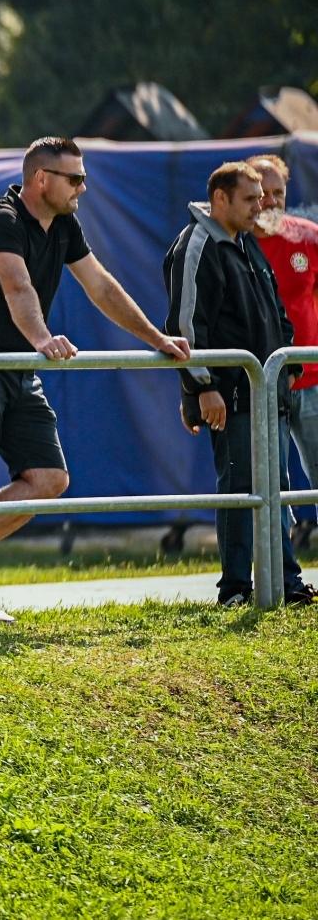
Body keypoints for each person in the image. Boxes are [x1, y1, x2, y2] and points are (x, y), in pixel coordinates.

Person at [0, 137, 189, 625]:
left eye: (85, 179)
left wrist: (157, 337)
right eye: (75, 179)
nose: (83, 189)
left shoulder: (65, 224)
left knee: (50, 479)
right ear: (41, 180)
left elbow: (101, 285)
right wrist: (44, 338)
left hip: (18, 368)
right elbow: (17, 286)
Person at [164, 161, 314, 608]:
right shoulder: (196, 245)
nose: (262, 206)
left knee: (276, 490)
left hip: (270, 394)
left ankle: (286, 582)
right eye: (251, 198)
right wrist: (202, 388)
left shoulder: (245, 242)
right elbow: (186, 326)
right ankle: (235, 588)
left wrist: (286, 364)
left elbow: (276, 313)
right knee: (240, 489)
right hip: (230, 398)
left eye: (265, 197)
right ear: (220, 199)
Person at [247, 154, 318, 543]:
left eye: (279, 193)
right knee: (269, 488)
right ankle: (283, 577)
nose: (271, 201)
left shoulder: (309, 236)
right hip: (259, 386)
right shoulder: (230, 242)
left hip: (313, 380)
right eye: (262, 193)